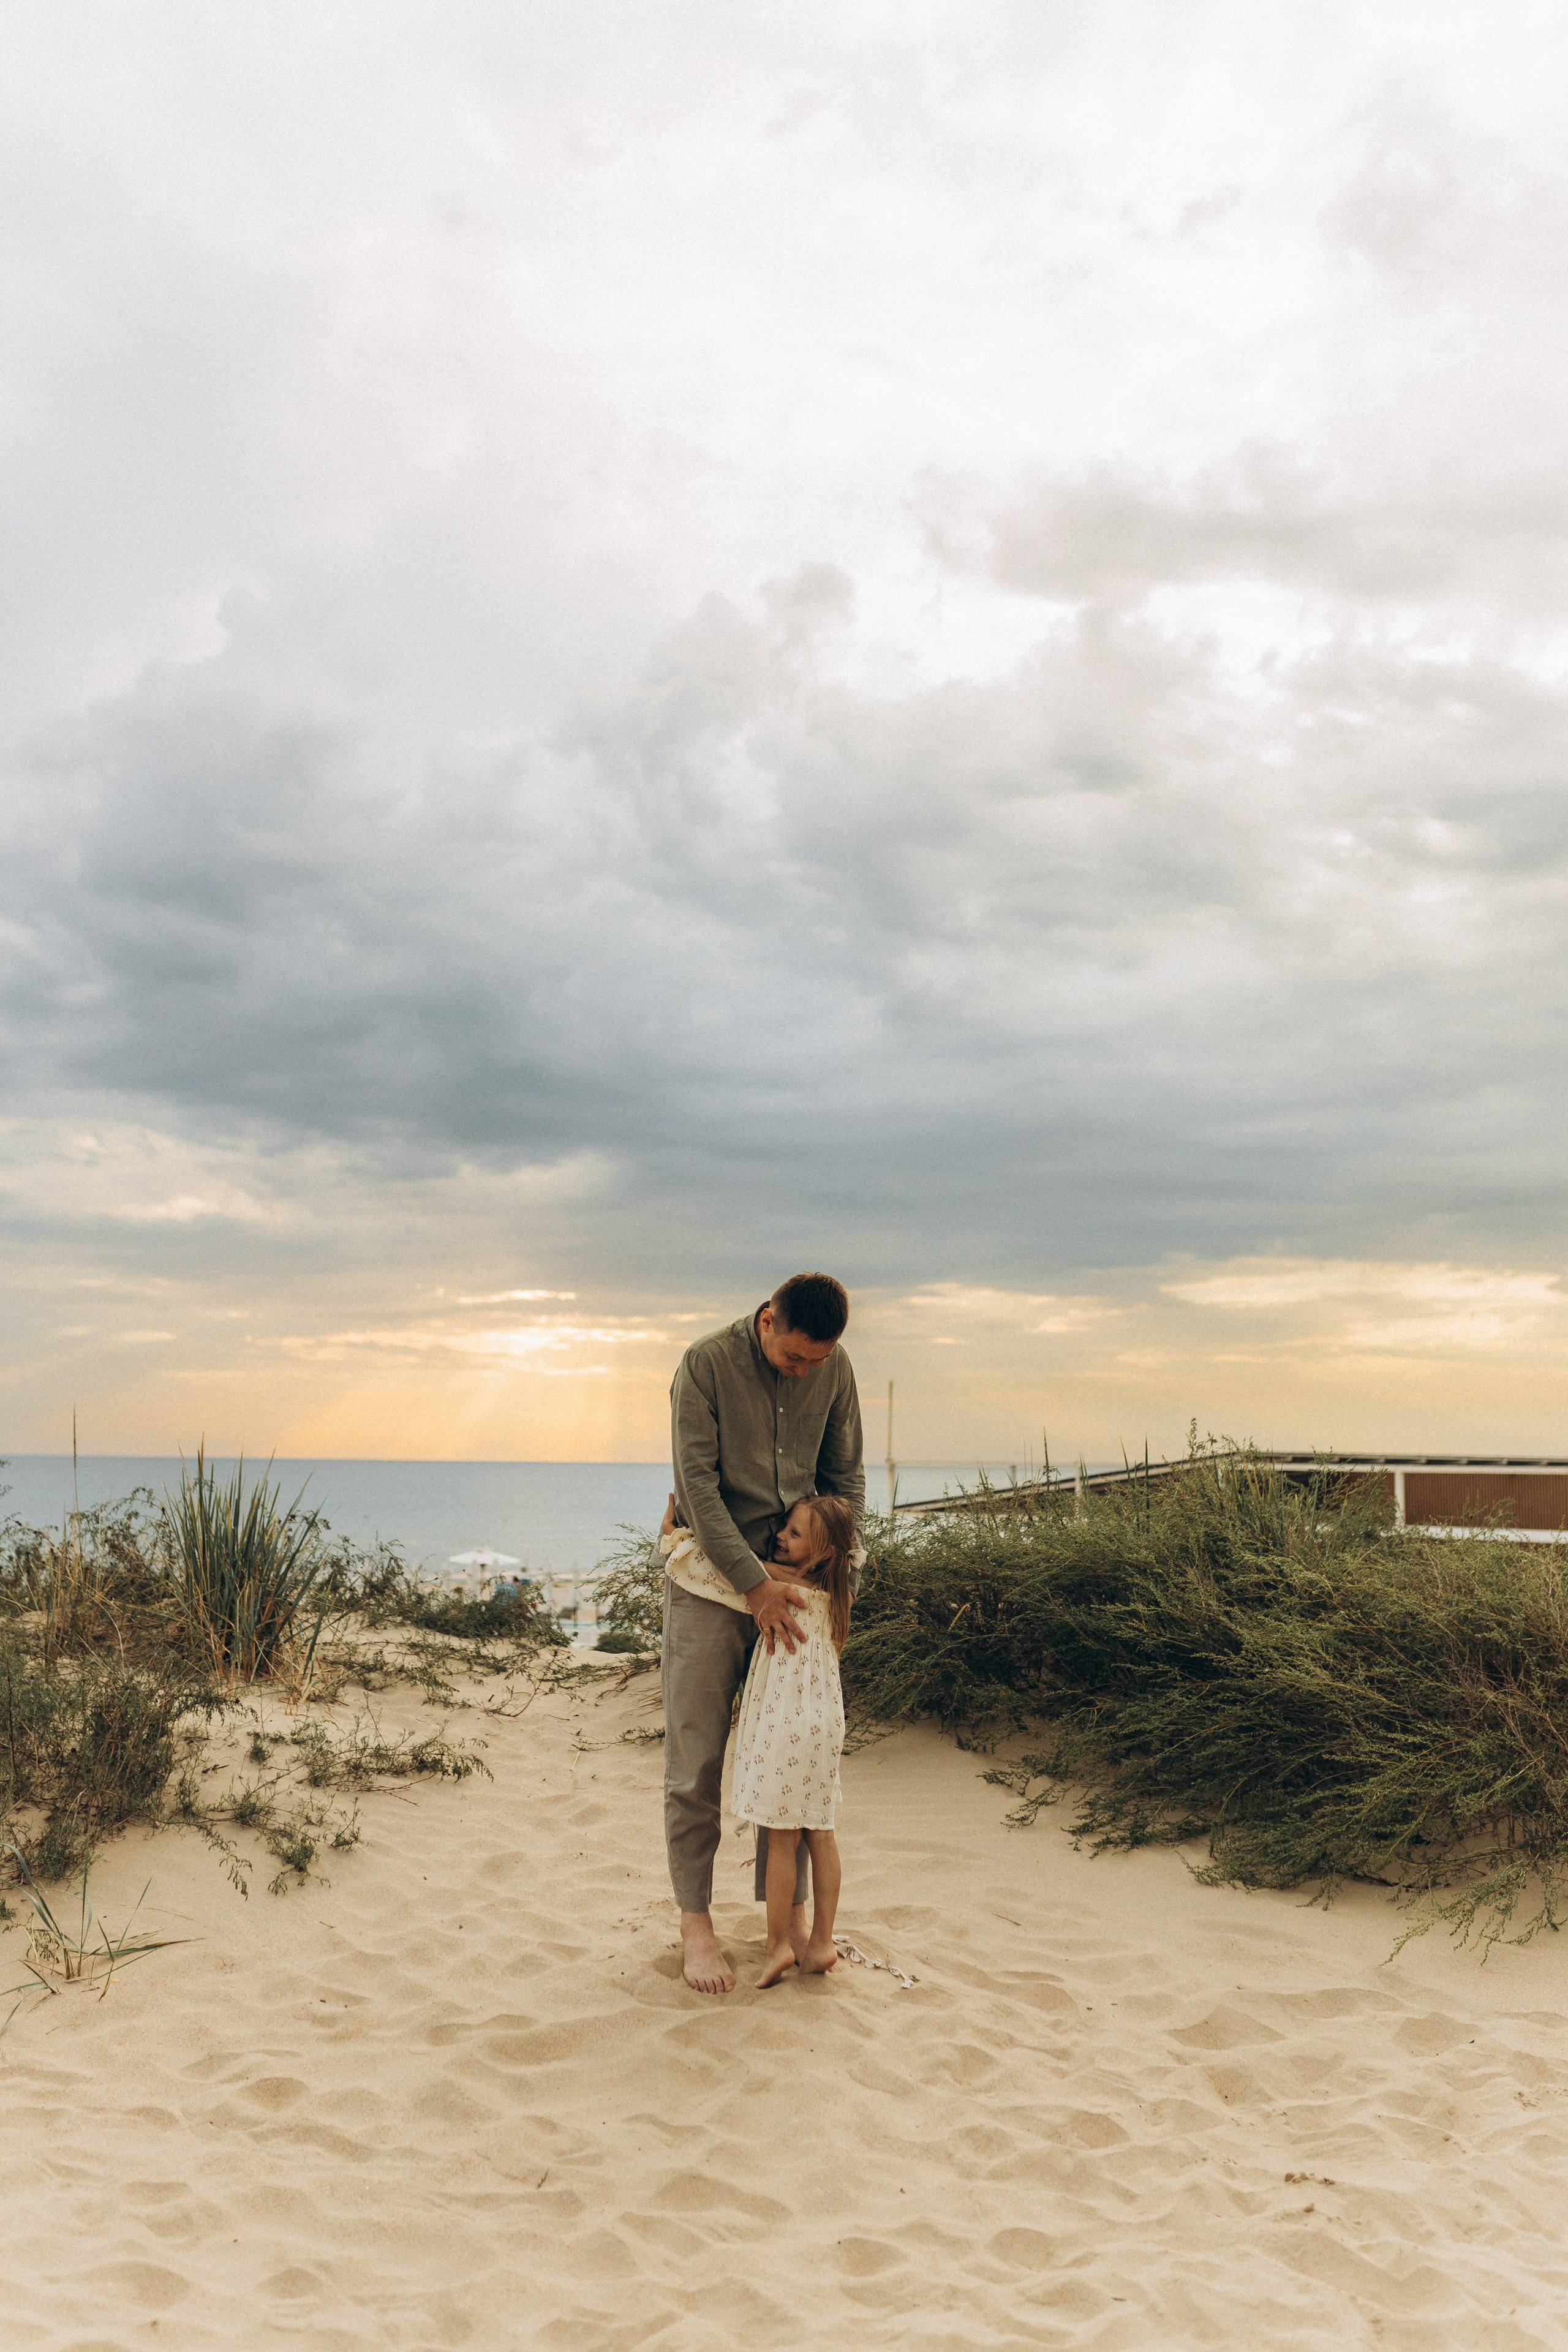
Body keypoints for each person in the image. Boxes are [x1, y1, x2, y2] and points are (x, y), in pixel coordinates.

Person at [662, 1272, 864, 1994]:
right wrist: (755, 1587)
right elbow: (697, 1484)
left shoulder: (832, 1366)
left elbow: (845, 1479)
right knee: (698, 1761)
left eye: (819, 1360)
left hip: (802, 1591)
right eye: (795, 1360)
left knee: (793, 1759)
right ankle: (696, 1925)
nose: (809, 1372)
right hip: (715, 1586)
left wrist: (833, 1581)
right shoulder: (706, 1364)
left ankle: (789, 1927)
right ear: (768, 1320)